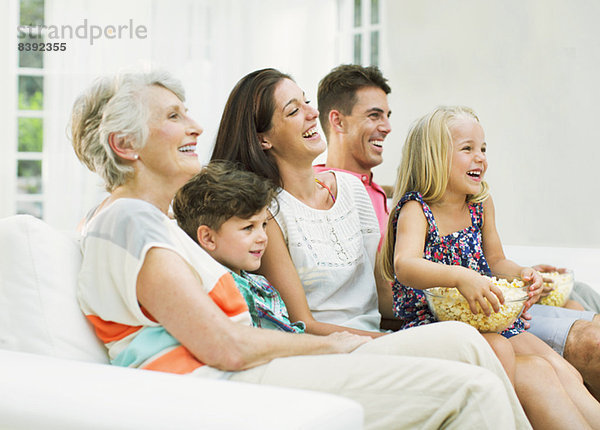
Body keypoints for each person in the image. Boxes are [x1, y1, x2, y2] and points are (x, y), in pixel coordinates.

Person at [71, 70, 530, 429]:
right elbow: (227, 346)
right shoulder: (125, 220)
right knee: (472, 389)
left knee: (465, 342)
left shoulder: (153, 222)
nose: (195, 125)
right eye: (174, 116)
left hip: (257, 368)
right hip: (228, 388)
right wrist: (328, 345)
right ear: (124, 145)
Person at [210, 68, 531, 428]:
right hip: (337, 350)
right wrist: (387, 340)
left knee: (479, 339)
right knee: (465, 343)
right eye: (292, 110)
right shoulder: (267, 213)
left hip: (381, 335)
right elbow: (303, 323)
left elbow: (384, 294)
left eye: (306, 102)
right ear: (264, 138)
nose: (311, 112)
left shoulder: (351, 190)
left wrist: (481, 306)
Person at [379, 105, 600, 428]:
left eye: (482, 148)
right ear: (433, 157)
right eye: (467, 149)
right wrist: (461, 276)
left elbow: (495, 261)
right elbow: (405, 265)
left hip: (486, 314)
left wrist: (523, 274)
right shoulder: (417, 209)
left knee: (560, 368)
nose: (480, 157)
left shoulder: (480, 204)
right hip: (436, 322)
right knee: (511, 356)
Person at [172, 161, 304, 333]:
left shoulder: (260, 284)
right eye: (248, 228)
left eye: (263, 225)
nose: (263, 238)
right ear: (208, 238)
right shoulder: (211, 292)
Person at [314, 64, 391, 248]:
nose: (387, 127)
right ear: (338, 121)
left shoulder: (378, 192)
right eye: (374, 115)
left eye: (387, 116)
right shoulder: (313, 189)